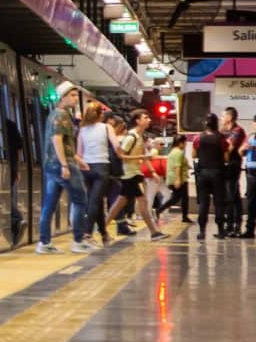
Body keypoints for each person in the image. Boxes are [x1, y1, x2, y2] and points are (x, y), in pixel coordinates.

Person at [35, 81, 92, 254]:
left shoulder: (54, 115)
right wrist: (65, 164)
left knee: (50, 204)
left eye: (76, 95)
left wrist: (77, 158)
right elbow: (57, 140)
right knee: (80, 199)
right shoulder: (62, 115)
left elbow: (63, 143)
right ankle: (78, 240)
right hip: (61, 164)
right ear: (63, 97)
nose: (76, 99)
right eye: (72, 95)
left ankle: (44, 243)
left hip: (52, 165)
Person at [103, 109, 168, 241]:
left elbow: (144, 156)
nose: (149, 120)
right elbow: (122, 155)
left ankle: (102, 228)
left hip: (134, 174)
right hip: (129, 174)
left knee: (120, 203)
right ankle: (154, 232)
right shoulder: (131, 137)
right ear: (137, 121)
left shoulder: (139, 136)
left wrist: (153, 172)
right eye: (145, 117)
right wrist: (142, 156)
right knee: (141, 202)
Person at [77, 102, 112, 245]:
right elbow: (116, 146)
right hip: (101, 166)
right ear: (100, 115)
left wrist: (83, 162)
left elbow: (78, 154)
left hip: (86, 168)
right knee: (94, 200)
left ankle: (104, 234)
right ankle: (87, 234)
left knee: (95, 200)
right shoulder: (106, 128)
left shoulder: (82, 130)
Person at [191, 116, 229, 241]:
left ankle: (202, 231)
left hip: (203, 173)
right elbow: (226, 158)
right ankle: (220, 230)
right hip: (218, 172)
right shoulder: (221, 138)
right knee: (219, 202)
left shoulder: (198, 137)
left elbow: (194, 154)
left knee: (203, 203)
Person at [220, 107, 246, 237]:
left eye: (223, 116)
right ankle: (231, 224)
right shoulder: (223, 131)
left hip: (233, 165)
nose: (221, 119)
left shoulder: (238, 131)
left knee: (231, 195)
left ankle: (233, 225)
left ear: (230, 117)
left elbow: (229, 148)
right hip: (224, 166)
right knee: (230, 196)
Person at [154, 135, 190, 222]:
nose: (186, 145)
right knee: (176, 198)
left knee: (182, 198)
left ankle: (184, 216)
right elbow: (177, 166)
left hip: (173, 178)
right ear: (180, 143)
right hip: (178, 179)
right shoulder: (178, 152)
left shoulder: (172, 151)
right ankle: (159, 210)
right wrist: (178, 179)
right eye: (185, 143)